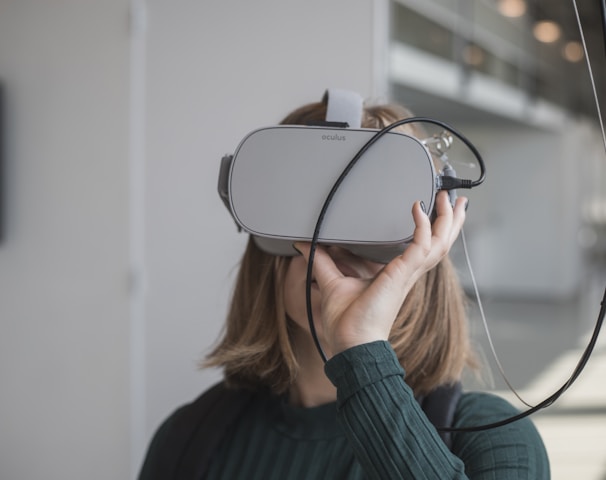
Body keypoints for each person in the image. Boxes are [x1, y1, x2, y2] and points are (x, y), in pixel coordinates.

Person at [139, 95, 550, 479]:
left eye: (372, 221)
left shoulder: (494, 441)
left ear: (428, 249)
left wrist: (361, 347)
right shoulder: (188, 439)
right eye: (310, 212)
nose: (333, 248)